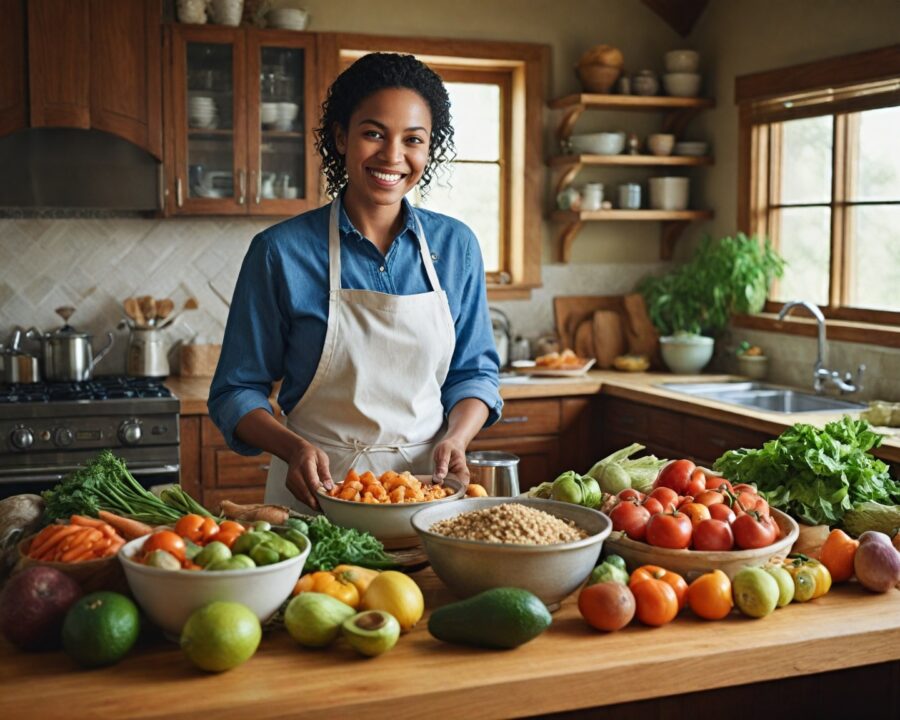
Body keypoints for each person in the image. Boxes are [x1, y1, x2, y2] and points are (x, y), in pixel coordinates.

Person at [208, 53, 502, 512]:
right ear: (342, 137)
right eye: (373, 133)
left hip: (426, 496)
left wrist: (457, 439)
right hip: (316, 497)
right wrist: (292, 448)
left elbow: (474, 374)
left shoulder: (456, 246)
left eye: (413, 140)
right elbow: (236, 390)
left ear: (429, 150)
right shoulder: (279, 252)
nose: (393, 156)